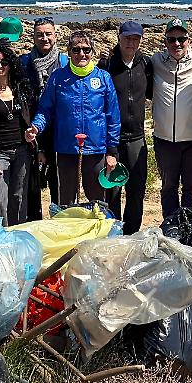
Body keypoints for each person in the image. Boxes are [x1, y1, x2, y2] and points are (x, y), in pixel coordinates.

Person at [26, 31, 119, 204]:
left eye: (86, 49)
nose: (81, 54)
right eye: (76, 50)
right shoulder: (58, 77)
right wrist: (36, 127)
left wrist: (112, 151)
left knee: (97, 201)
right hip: (66, 149)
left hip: (96, 149)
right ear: (68, 52)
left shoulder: (103, 78)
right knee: (66, 201)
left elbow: (112, 117)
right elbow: (45, 109)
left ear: (92, 52)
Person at [150, 18, 192, 221]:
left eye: (181, 39)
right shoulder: (155, 61)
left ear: (189, 40)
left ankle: (189, 230)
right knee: (168, 187)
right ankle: (171, 229)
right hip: (164, 139)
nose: (177, 44)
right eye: (171, 39)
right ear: (165, 41)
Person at [98, 20, 153, 234]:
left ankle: (131, 233)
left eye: (135, 38)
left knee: (136, 190)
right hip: (112, 139)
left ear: (140, 40)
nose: (131, 42)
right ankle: (114, 232)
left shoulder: (146, 65)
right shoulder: (107, 65)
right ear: (119, 37)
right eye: (127, 37)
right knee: (112, 190)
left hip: (137, 138)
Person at [0, 42, 36, 225]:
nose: (0, 66)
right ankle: (0, 237)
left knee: (18, 199)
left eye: (3, 62)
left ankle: (16, 238)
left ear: (10, 65)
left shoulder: (21, 91)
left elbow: (31, 119)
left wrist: (31, 134)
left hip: (22, 151)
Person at [20, 16, 69, 219]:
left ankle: (60, 225)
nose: (44, 38)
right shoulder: (24, 62)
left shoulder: (65, 62)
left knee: (59, 185)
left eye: (48, 34)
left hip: (59, 132)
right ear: (33, 37)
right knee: (32, 186)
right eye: (39, 35)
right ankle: (34, 225)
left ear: (56, 35)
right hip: (32, 129)